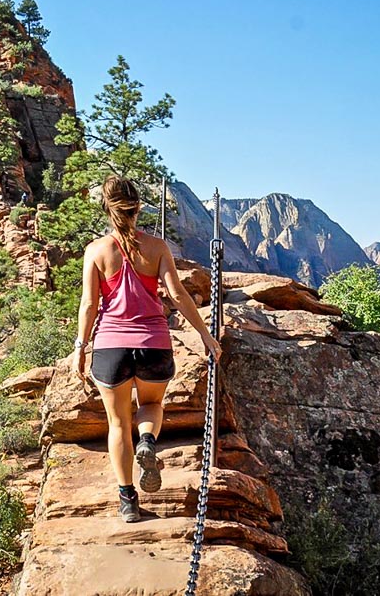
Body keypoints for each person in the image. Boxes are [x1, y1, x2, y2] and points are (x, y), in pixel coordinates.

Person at [70, 174, 222, 523]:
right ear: (138, 208)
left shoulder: (96, 251)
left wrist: (81, 346)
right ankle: (149, 442)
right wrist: (205, 336)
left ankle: (127, 501)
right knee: (151, 405)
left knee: (118, 423)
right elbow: (177, 295)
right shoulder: (157, 248)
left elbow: (89, 305)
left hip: (110, 348)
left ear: (106, 209)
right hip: (153, 344)